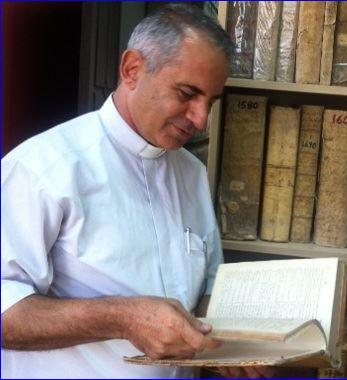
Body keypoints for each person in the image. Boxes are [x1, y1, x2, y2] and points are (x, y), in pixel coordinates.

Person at [1, 5, 273, 379]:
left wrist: (231, 346)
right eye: (187, 94)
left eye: (210, 101)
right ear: (132, 70)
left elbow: (207, 284)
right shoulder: (44, 167)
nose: (201, 119)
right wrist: (123, 318)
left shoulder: (191, 172)